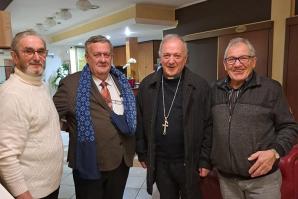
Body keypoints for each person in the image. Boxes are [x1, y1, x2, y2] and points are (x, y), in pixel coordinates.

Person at [211, 37, 298, 199]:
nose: (237, 64)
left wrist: (275, 151)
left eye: (243, 58)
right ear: (225, 64)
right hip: (227, 181)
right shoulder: (214, 90)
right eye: (231, 59)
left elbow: (290, 127)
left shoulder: (271, 89)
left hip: (263, 182)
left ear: (253, 61)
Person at [53, 35, 136, 199]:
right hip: (88, 162)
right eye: (97, 55)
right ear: (87, 58)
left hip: (120, 162)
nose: (103, 59)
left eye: (107, 55)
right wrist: (71, 126)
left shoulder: (122, 82)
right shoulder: (71, 84)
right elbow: (49, 116)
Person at [136, 34, 212, 199]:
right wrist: (142, 152)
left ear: (186, 59)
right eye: (166, 55)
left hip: (189, 162)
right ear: (160, 58)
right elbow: (140, 122)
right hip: (160, 162)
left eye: (177, 56)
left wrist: (205, 160)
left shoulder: (200, 86)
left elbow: (209, 126)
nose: (171, 61)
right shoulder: (147, 85)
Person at [0, 30, 64, 199]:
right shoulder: (11, 94)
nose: (36, 57)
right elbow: (6, 156)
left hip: (49, 185)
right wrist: (23, 195)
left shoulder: (40, 85)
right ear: (14, 57)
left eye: (41, 51)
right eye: (28, 51)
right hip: (31, 193)